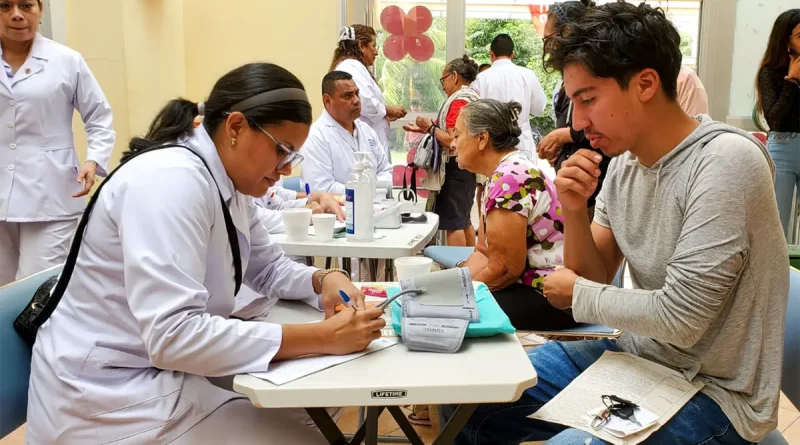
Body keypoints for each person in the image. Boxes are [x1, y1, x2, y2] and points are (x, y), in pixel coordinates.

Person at [451, 3, 787, 444]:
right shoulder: (626, 162)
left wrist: (582, 293)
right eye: (573, 101)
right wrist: (574, 208)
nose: (578, 121)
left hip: (715, 392)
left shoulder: (726, 163)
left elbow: (681, 320)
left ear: (646, 83)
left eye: (588, 99)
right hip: (640, 358)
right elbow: (593, 273)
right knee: (468, 394)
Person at [26, 63, 386, 444]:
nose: (283, 171)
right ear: (235, 128)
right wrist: (321, 337)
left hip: (162, 374)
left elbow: (267, 268)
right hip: (106, 396)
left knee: (316, 407)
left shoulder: (227, 180)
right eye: (280, 151)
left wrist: (324, 279)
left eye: (291, 157)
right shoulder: (170, 182)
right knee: (310, 434)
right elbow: (174, 335)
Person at [0, 0, 115, 286]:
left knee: (37, 288)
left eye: (26, 5)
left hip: (50, 193)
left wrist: (93, 160)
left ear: (40, 10)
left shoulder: (66, 60)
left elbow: (99, 117)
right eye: (4, 6)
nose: (16, 15)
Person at [450, 99, 574, 331]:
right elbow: (483, 252)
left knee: (448, 315)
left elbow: (504, 269)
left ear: (482, 139)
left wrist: (456, 296)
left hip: (551, 294)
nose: (453, 143)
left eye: (457, 135)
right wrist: (453, 285)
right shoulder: (504, 173)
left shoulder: (510, 178)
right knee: (445, 302)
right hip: (531, 288)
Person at [536, 0, 611, 218]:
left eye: (549, 39)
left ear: (567, 32)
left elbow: (602, 125)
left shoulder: (596, 70)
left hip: (594, 189)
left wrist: (565, 135)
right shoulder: (568, 77)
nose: (547, 47)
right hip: (578, 190)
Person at [404, 55, 480, 247]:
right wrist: (425, 128)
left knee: (453, 223)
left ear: (454, 76)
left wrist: (430, 128)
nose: (442, 85)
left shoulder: (459, 101)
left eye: (443, 79)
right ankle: (470, 262)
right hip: (466, 168)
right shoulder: (470, 96)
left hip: (455, 169)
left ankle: (457, 266)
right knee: (464, 220)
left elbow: (452, 140)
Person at [301, 70, 393, 194]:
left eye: (357, 94)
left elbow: (385, 171)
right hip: (338, 211)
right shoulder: (316, 136)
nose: (356, 100)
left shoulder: (366, 131)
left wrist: (370, 190)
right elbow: (320, 188)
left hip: (374, 207)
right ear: (327, 100)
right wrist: (363, 191)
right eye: (348, 96)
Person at [757, 9, 800, 241]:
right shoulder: (771, 72)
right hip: (782, 149)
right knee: (776, 223)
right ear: (786, 42)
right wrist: (791, 81)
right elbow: (774, 119)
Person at [331, 25, 406, 153]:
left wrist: (384, 115)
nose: (376, 52)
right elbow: (364, 102)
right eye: (373, 46)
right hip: (365, 146)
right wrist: (388, 111)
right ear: (361, 46)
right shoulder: (351, 66)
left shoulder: (353, 67)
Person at [472, 33, 546, 161]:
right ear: (512, 54)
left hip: (493, 146)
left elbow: (475, 116)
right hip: (523, 145)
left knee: (497, 179)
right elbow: (539, 110)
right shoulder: (528, 75)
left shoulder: (481, 79)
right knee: (525, 180)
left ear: (491, 54)